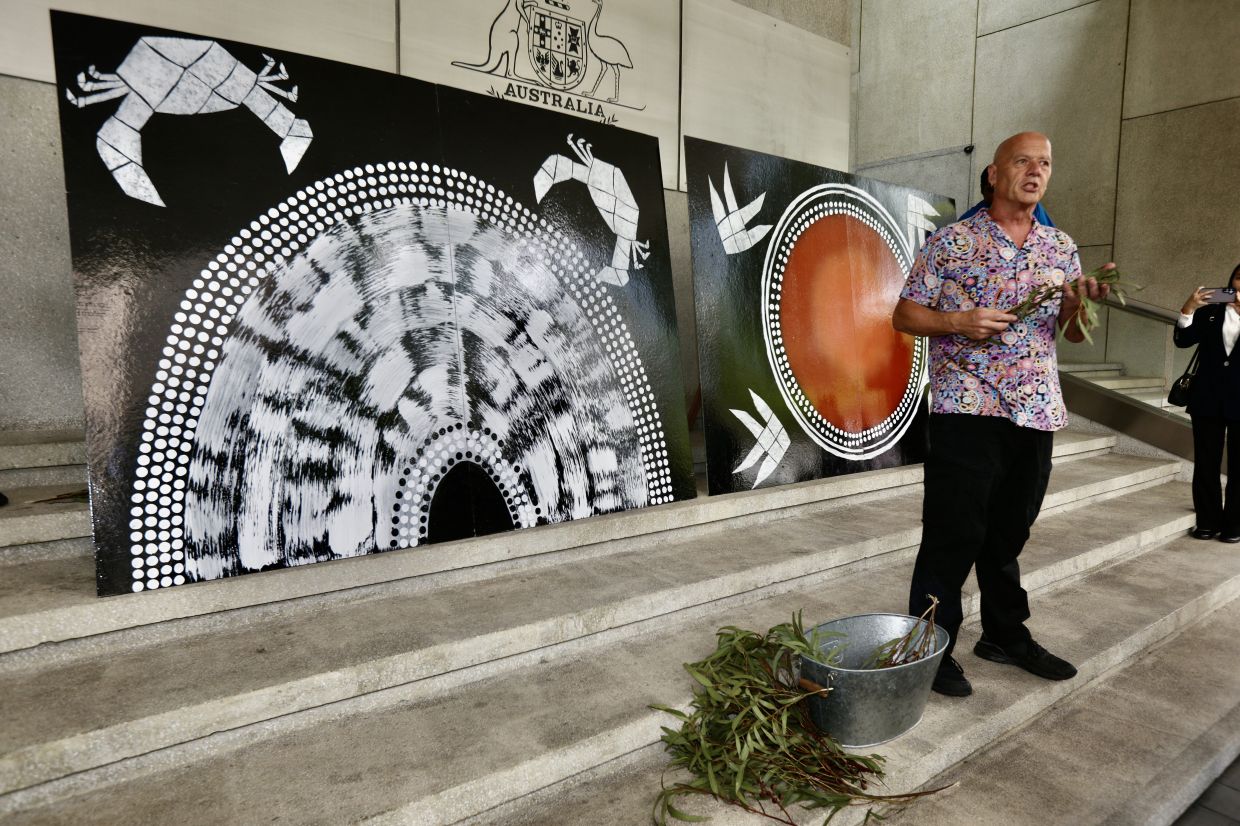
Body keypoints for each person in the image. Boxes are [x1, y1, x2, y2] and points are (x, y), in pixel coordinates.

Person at [892, 131, 1110, 697]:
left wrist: (1076, 306)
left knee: (1009, 532)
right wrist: (957, 322)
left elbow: (1072, 335)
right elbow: (905, 315)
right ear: (993, 174)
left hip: (1035, 410)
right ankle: (928, 648)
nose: (1035, 171)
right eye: (1022, 161)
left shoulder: (1060, 247)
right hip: (968, 407)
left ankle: (1004, 635)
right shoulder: (951, 241)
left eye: (1045, 163)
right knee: (952, 533)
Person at [1174, 264, 1240, 542]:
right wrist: (1189, 308)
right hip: (1207, 398)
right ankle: (1207, 522)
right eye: (1239, 278)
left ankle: (1234, 525)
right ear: (1231, 281)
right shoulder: (1211, 312)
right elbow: (1183, 341)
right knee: (1206, 463)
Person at [960, 169, 1054, 227]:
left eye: (1002, 189)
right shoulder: (968, 220)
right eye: (991, 190)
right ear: (982, 190)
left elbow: (1050, 240)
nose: (997, 196)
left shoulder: (1031, 208)